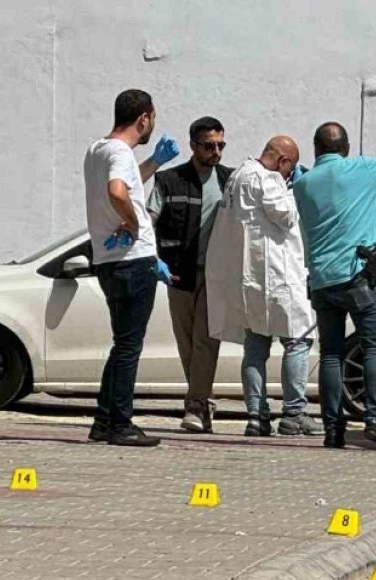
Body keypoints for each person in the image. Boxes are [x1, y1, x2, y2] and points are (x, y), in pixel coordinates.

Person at [293, 122, 376, 450]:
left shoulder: (303, 185)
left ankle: (332, 429)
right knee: (375, 346)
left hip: (322, 279)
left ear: (316, 150)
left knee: (331, 353)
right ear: (346, 149)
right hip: (358, 275)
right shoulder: (362, 168)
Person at [84, 89, 180, 447]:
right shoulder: (121, 151)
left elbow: (127, 184)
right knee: (129, 347)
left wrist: (154, 162)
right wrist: (135, 225)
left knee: (121, 343)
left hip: (109, 261)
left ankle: (104, 420)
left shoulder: (98, 150)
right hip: (130, 260)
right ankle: (121, 423)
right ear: (144, 118)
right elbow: (118, 191)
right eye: (152, 118)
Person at [208, 136, 322, 438]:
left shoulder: (238, 175)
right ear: (283, 161)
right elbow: (285, 216)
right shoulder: (268, 179)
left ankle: (256, 416)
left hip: (250, 280)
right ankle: (294, 413)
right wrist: (296, 188)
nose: (290, 173)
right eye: (291, 168)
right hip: (277, 274)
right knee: (298, 339)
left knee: (255, 346)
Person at [147, 117, 232, 433]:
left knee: (206, 341)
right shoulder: (170, 180)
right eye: (209, 146)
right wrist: (154, 259)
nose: (216, 152)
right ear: (194, 145)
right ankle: (204, 405)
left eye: (220, 145)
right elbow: (149, 219)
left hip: (216, 275)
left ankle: (195, 407)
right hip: (179, 273)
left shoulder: (230, 180)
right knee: (187, 344)